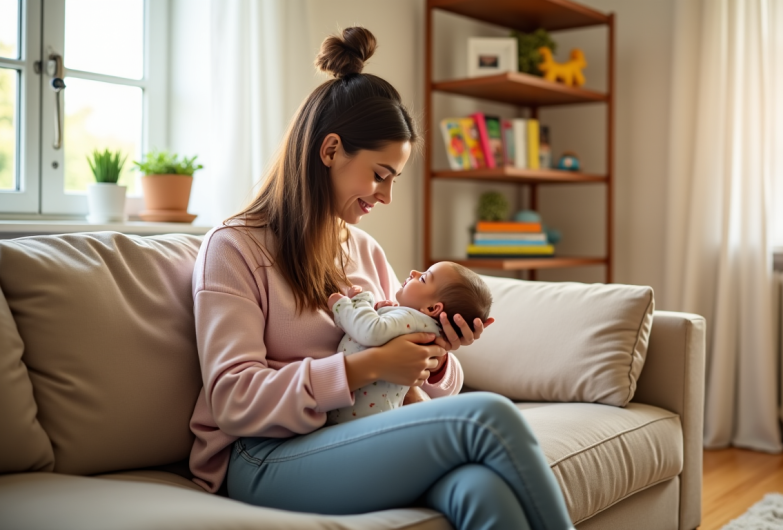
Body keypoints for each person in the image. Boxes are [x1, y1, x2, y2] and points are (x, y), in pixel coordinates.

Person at [188, 25, 575, 530]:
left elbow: (419, 387)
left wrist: (436, 356)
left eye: (393, 179)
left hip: (357, 435)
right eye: (379, 175)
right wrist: (365, 367)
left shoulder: (364, 250)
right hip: (263, 455)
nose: (386, 196)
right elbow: (233, 400)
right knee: (490, 415)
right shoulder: (234, 248)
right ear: (330, 150)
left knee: (480, 488)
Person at [326, 261, 493, 424]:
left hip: (357, 419)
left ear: (432, 309)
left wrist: (354, 303)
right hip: (366, 416)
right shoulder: (421, 325)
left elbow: (370, 332)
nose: (414, 272)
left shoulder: (410, 318)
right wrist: (381, 311)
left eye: (423, 278)